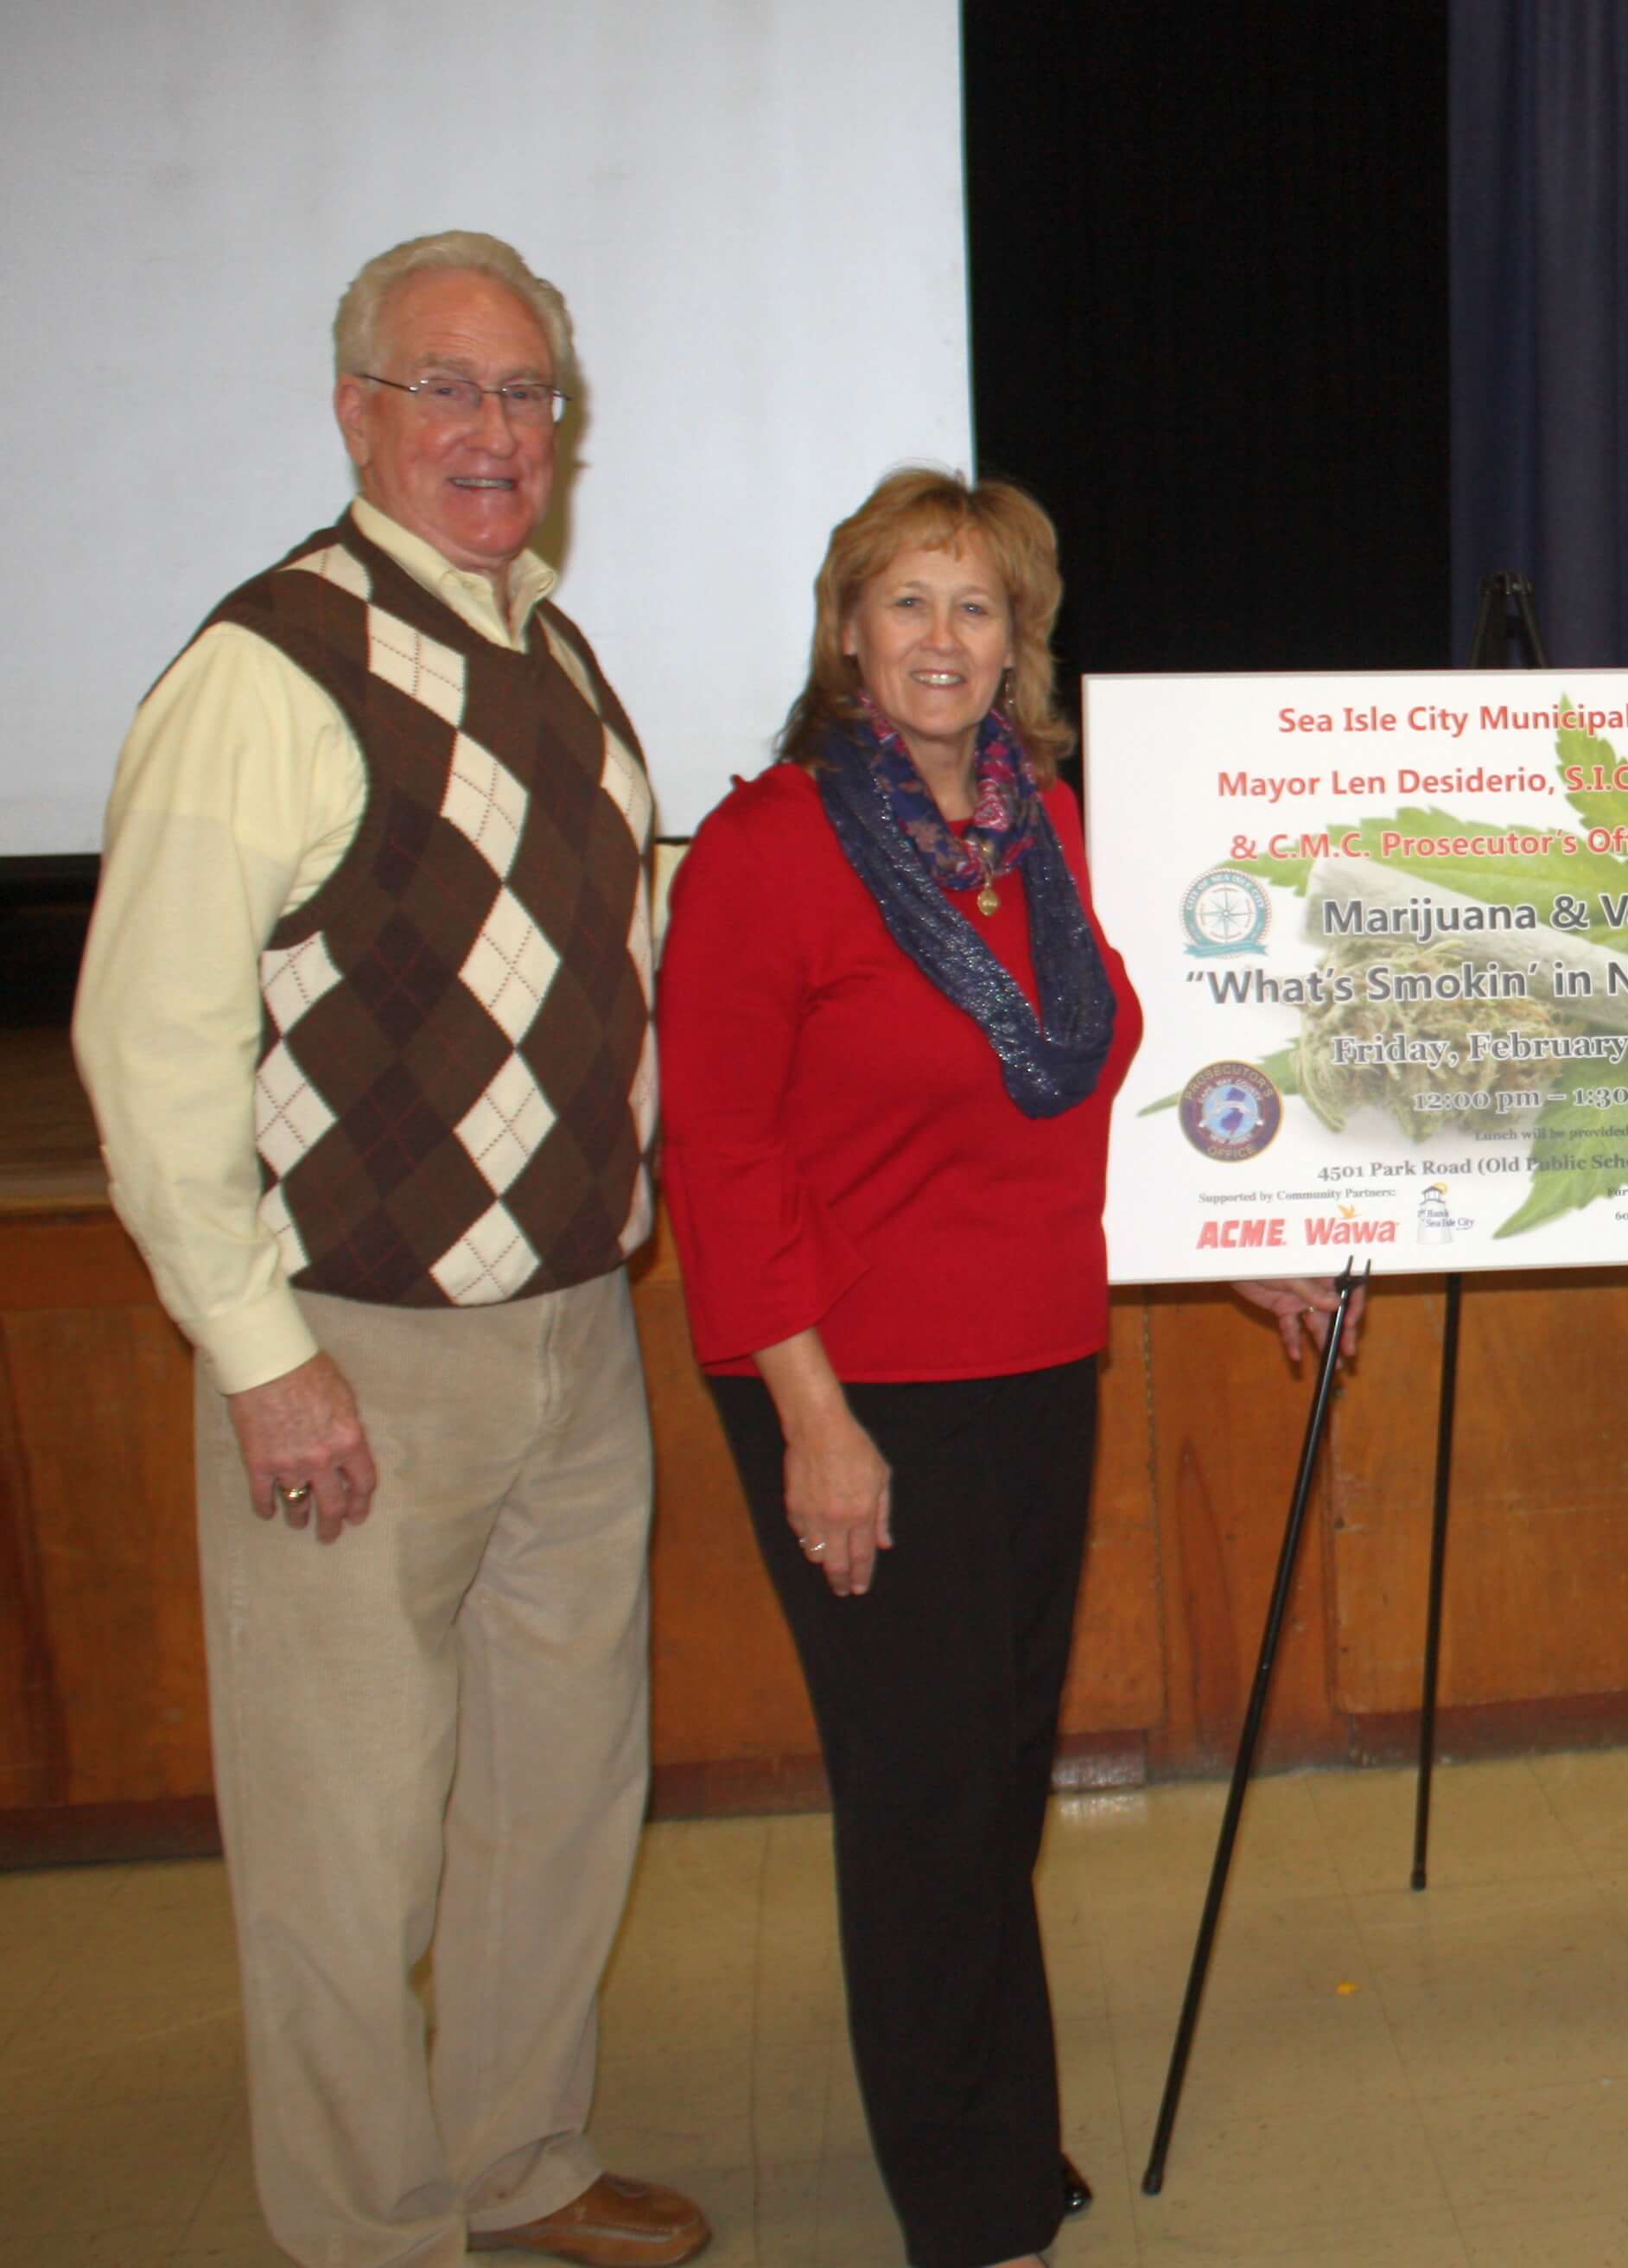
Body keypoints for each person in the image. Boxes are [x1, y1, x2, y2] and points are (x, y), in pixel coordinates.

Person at [71, 232, 707, 2268]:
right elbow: (146, 1039)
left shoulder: (555, 649)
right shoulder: (270, 666)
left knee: (554, 1796)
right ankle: (366, 2232)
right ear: (356, 409)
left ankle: (517, 2163)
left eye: (525, 394)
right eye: (447, 389)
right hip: (357, 1347)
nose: (492, 432)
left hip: (571, 1333)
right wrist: (262, 1355)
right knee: (342, 1849)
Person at [655, 468, 1343, 2268]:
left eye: (977, 607)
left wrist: (1241, 1252)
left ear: (1017, 639)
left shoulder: (1048, 823)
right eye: (906, 603)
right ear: (848, 632)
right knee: (926, 1790)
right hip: (855, 1388)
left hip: (1038, 1358)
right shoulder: (768, 845)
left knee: (993, 1773)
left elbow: (1123, 1067)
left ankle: (999, 2133)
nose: (943, 639)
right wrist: (812, 1418)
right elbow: (718, 1161)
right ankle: (967, 2207)